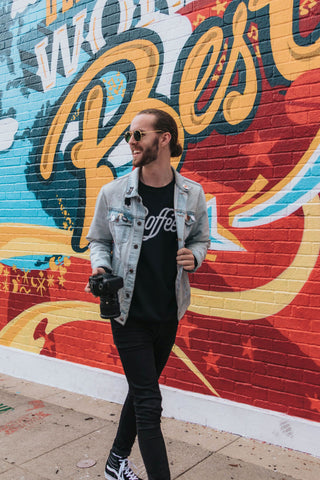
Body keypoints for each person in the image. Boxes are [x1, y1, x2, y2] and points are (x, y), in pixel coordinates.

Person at [86, 108, 209, 480]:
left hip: (168, 313)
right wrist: (101, 268)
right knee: (150, 403)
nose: (131, 142)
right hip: (128, 314)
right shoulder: (114, 193)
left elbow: (202, 238)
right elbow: (99, 241)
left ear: (164, 138)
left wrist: (196, 256)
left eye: (138, 135)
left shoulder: (192, 194)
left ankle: (115, 462)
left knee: (142, 393)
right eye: (129, 136)